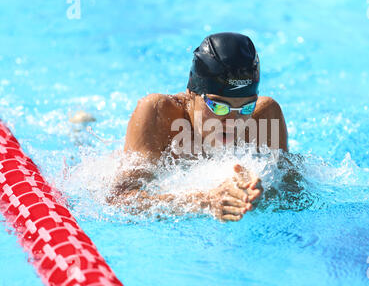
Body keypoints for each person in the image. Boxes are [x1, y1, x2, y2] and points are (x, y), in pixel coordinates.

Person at [109, 32, 288, 221]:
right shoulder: (158, 113)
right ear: (192, 93)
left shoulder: (265, 117)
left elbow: (295, 192)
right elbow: (120, 200)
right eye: (219, 106)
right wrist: (206, 201)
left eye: (246, 107)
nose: (233, 120)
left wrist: (264, 194)